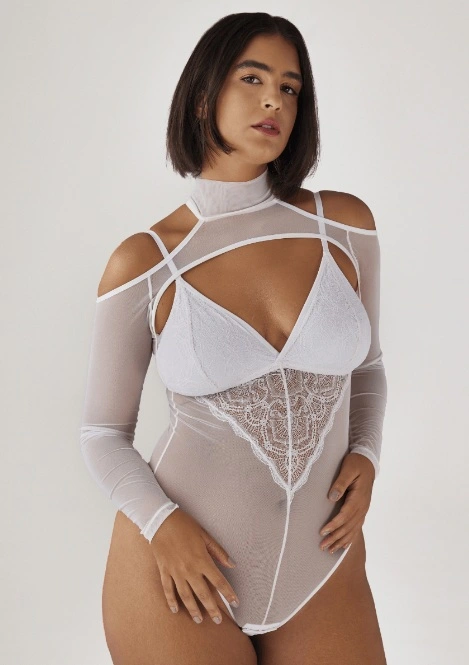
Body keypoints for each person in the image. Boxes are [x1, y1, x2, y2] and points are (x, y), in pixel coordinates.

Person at [79, 12, 388, 665]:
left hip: (324, 566)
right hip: (176, 573)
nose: (274, 99)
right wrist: (162, 525)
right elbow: (102, 433)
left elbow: (368, 367)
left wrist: (365, 452)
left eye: (290, 87)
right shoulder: (148, 261)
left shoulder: (342, 225)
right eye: (252, 78)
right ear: (201, 97)